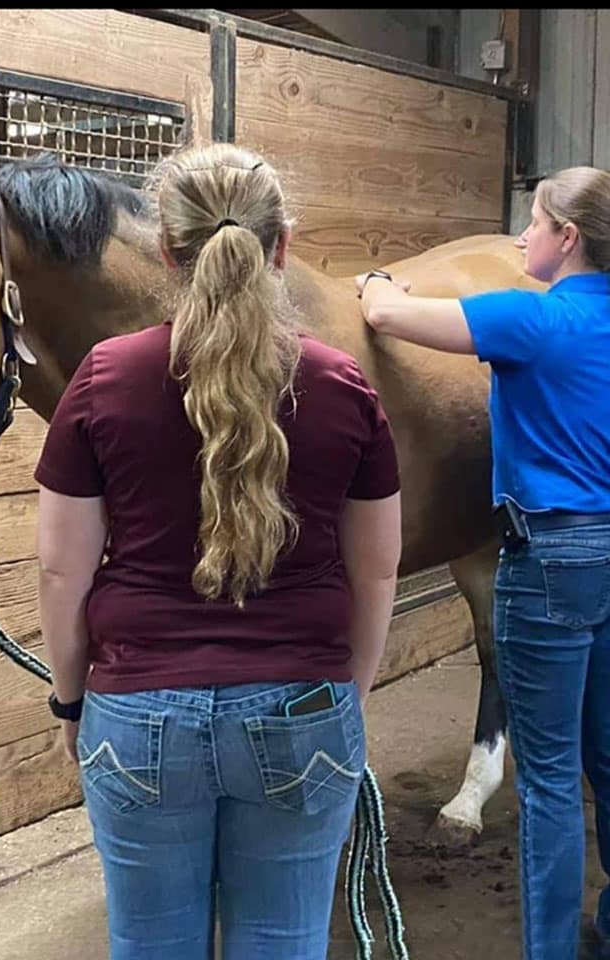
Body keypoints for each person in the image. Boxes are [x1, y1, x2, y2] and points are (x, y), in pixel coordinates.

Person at [33, 142, 402, 960]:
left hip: (137, 710)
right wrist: (350, 692)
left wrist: (69, 701)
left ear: (166, 251)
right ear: (283, 246)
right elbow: (377, 569)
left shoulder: (102, 380)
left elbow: (63, 570)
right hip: (304, 704)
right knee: (283, 939)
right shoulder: (343, 387)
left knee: (151, 943)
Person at [356, 165, 610, 960]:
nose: (521, 238)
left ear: (568, 238)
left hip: (549, 563)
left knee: (546, 785)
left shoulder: (527, 319)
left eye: (532, 224)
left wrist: (375, 278)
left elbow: (388, 315)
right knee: (605, 755)